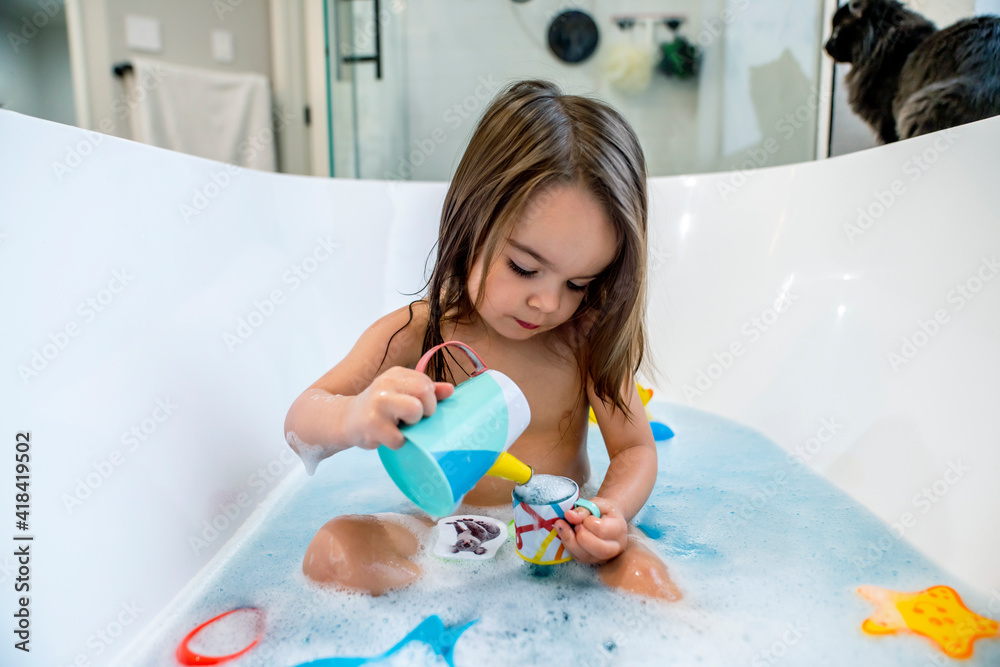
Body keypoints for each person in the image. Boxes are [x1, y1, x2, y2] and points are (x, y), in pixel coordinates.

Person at [283, 79, 681, 601]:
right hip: (442, 536)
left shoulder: (583, 340)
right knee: (333, 552)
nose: (548, 303)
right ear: (471, 220)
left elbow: (633, 447)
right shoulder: (418, 330)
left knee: (644, 577)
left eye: (578, 284)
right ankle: (460, 603)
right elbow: (301, 420)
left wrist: (610, 513)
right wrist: (356, 416)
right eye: (524, 267)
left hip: (560, 535)